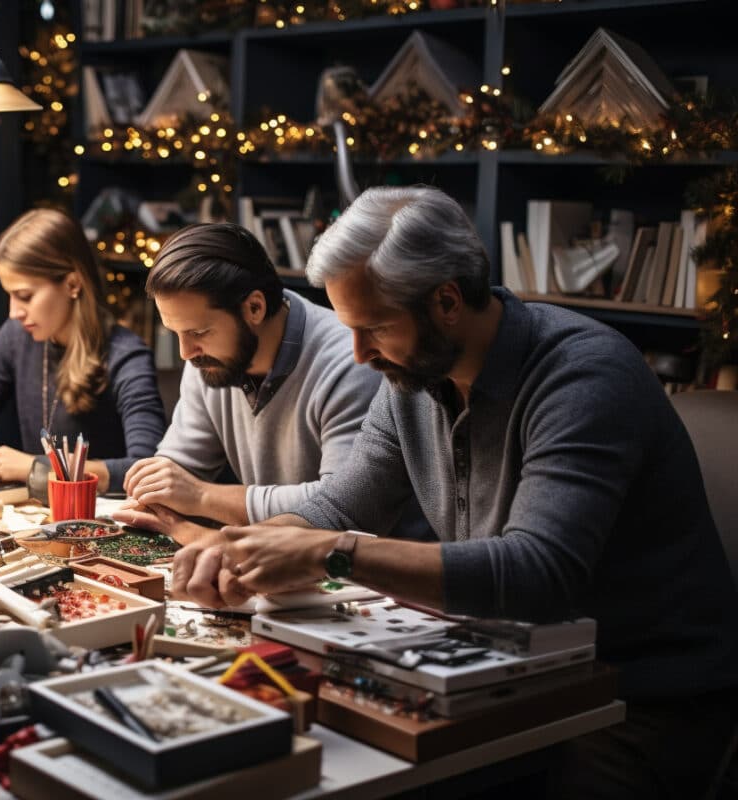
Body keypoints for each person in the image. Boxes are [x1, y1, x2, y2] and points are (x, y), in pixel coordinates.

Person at [172, 186, 738, 798]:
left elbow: (537, 571)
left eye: (375, 329)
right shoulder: (412, 376)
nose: (359, 356)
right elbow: (341, 505)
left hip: (637, 695)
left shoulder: (583, 376)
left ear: (446, 301)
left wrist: (328, 552)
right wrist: (238, 545)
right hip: (512, 663)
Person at [112, 222, 383, 543]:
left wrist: (202, 497)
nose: (185, 353)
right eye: (176, 334)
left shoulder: (349, 362)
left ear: (254, 307)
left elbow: (342, 507)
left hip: (364, 578)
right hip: (270, 560)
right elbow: (181, 469)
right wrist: (155, 491)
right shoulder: (209, 359)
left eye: (198, 332)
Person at [0, 208, 166, 493]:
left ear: (72, 284)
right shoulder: (17, 336)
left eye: (25, 296)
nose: (14, 312)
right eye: (10, 295)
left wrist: (39, 467)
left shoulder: (126, 356)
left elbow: (146, 469)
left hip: (105, 526)